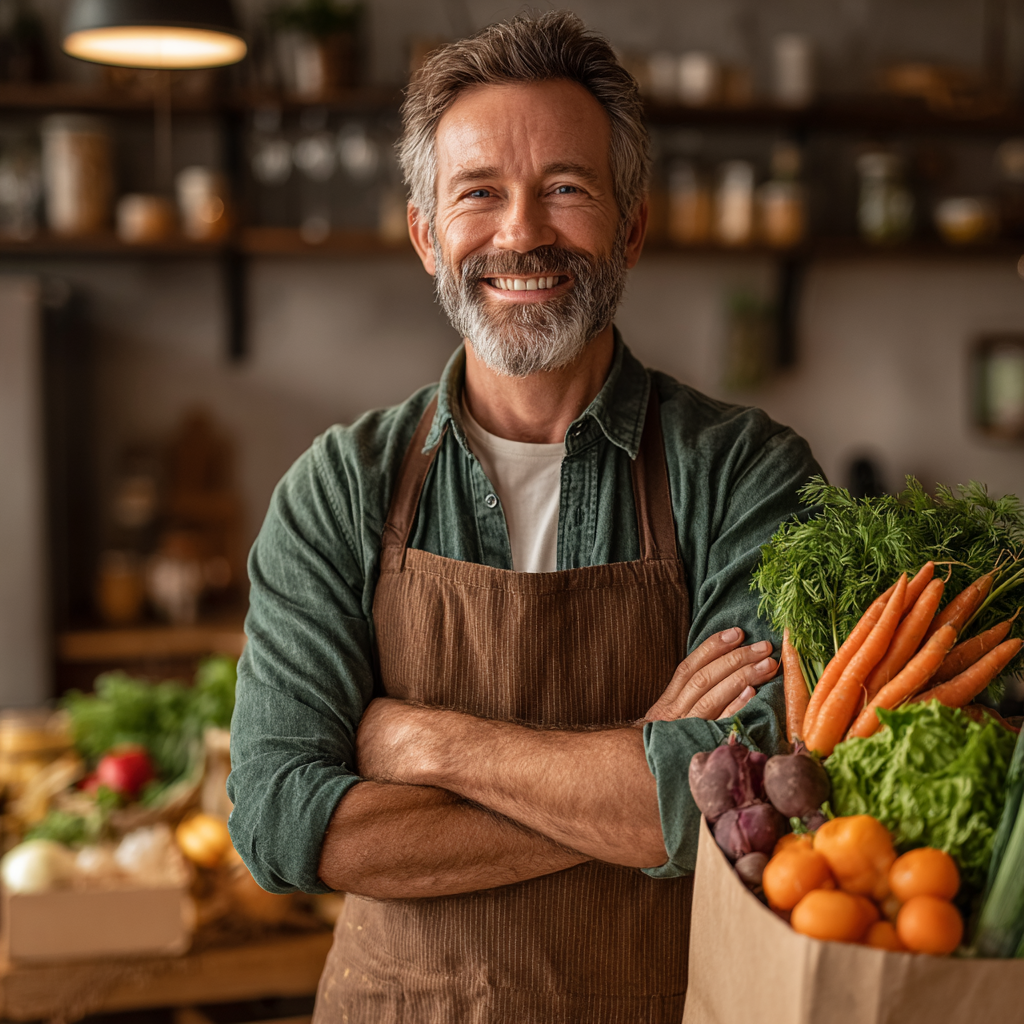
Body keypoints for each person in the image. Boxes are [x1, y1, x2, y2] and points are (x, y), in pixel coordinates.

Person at [228, 11, 820, 1023]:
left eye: (565, 189)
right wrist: (642, 768)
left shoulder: (744, 473)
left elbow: (759, 787)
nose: (521, 233)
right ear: (425, 235)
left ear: (629, 227)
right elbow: (285, 828)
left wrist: (426, 743)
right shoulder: (338, 488)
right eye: (478, 195)